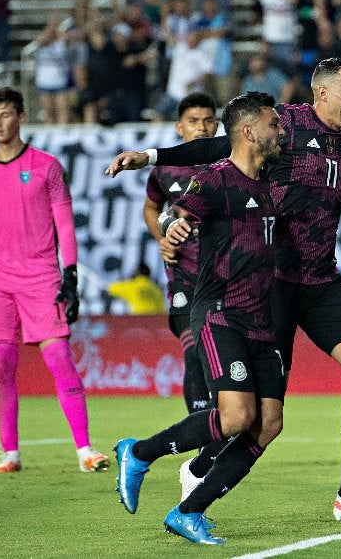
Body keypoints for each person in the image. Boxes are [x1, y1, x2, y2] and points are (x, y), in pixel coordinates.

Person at [105, 57, 341, 526]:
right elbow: (218, 146)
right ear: (324, 92)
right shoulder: (284, 123)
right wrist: (151, 157)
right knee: (259, 417)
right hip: (268, 287)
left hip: (319, 280)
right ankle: (199, 467)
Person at [114, 91, 286, 545]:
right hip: (220, 313)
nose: (282, 130)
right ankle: (140, 452)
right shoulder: (213, 180)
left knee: (268, 423)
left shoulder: (274, 173)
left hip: (262, 318)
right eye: (274, 124)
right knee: (234, 417)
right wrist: (172, 230)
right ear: (250, 132)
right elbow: (178, 212)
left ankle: (189, 510)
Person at [0, 87, 109, 474]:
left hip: (41, 277)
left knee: (58, 356)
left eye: (6, 114)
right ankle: (10, 453)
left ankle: (85, 450)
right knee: (1, 365)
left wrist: (69, 277)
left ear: (21, 117)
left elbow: (65, 225)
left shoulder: (47, 166)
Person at [142, 91, 219, 415]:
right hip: (183, 280)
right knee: (193, 350)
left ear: (217, 126)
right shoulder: (165, 169)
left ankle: (223, 424)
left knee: (221, 357)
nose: (200, 128)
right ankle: (201, 432)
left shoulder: (230, 165)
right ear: (179, 128)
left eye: (207, 121)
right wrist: (161, 235)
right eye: (193, 122)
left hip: (225, 276)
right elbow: (151, 207)